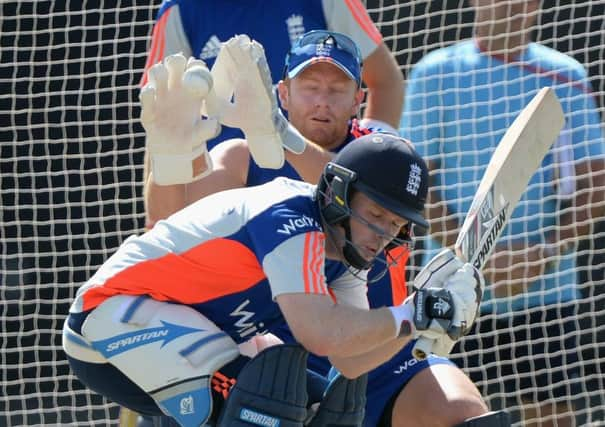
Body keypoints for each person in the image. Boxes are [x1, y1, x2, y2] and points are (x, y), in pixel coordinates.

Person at [140, 32, 501, 427]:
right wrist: (167, 155)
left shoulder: (382, 152)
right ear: (283, 93)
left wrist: (281, 133)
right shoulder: (240, 158)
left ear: (358, 99)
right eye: (310, 87)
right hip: (272, 361)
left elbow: (345, 184)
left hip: (377, 347)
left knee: (462, 414)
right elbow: (171, 225)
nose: (322, 102)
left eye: (337, 88)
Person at [399, 1, 605, 426]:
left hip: (545, 294)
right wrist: (475, 262)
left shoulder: (566, 75)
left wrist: (545, 252)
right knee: (449, 417)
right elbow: (416, 183)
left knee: (551, 418)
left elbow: (596, 183)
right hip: (450, 295)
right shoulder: (434, 73)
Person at [141, 0, 404, 149]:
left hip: (318, 194)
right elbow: (161, 120)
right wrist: (157, 222)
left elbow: (386, 83)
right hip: (222, 200)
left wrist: (370, 159)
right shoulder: (181, 10)